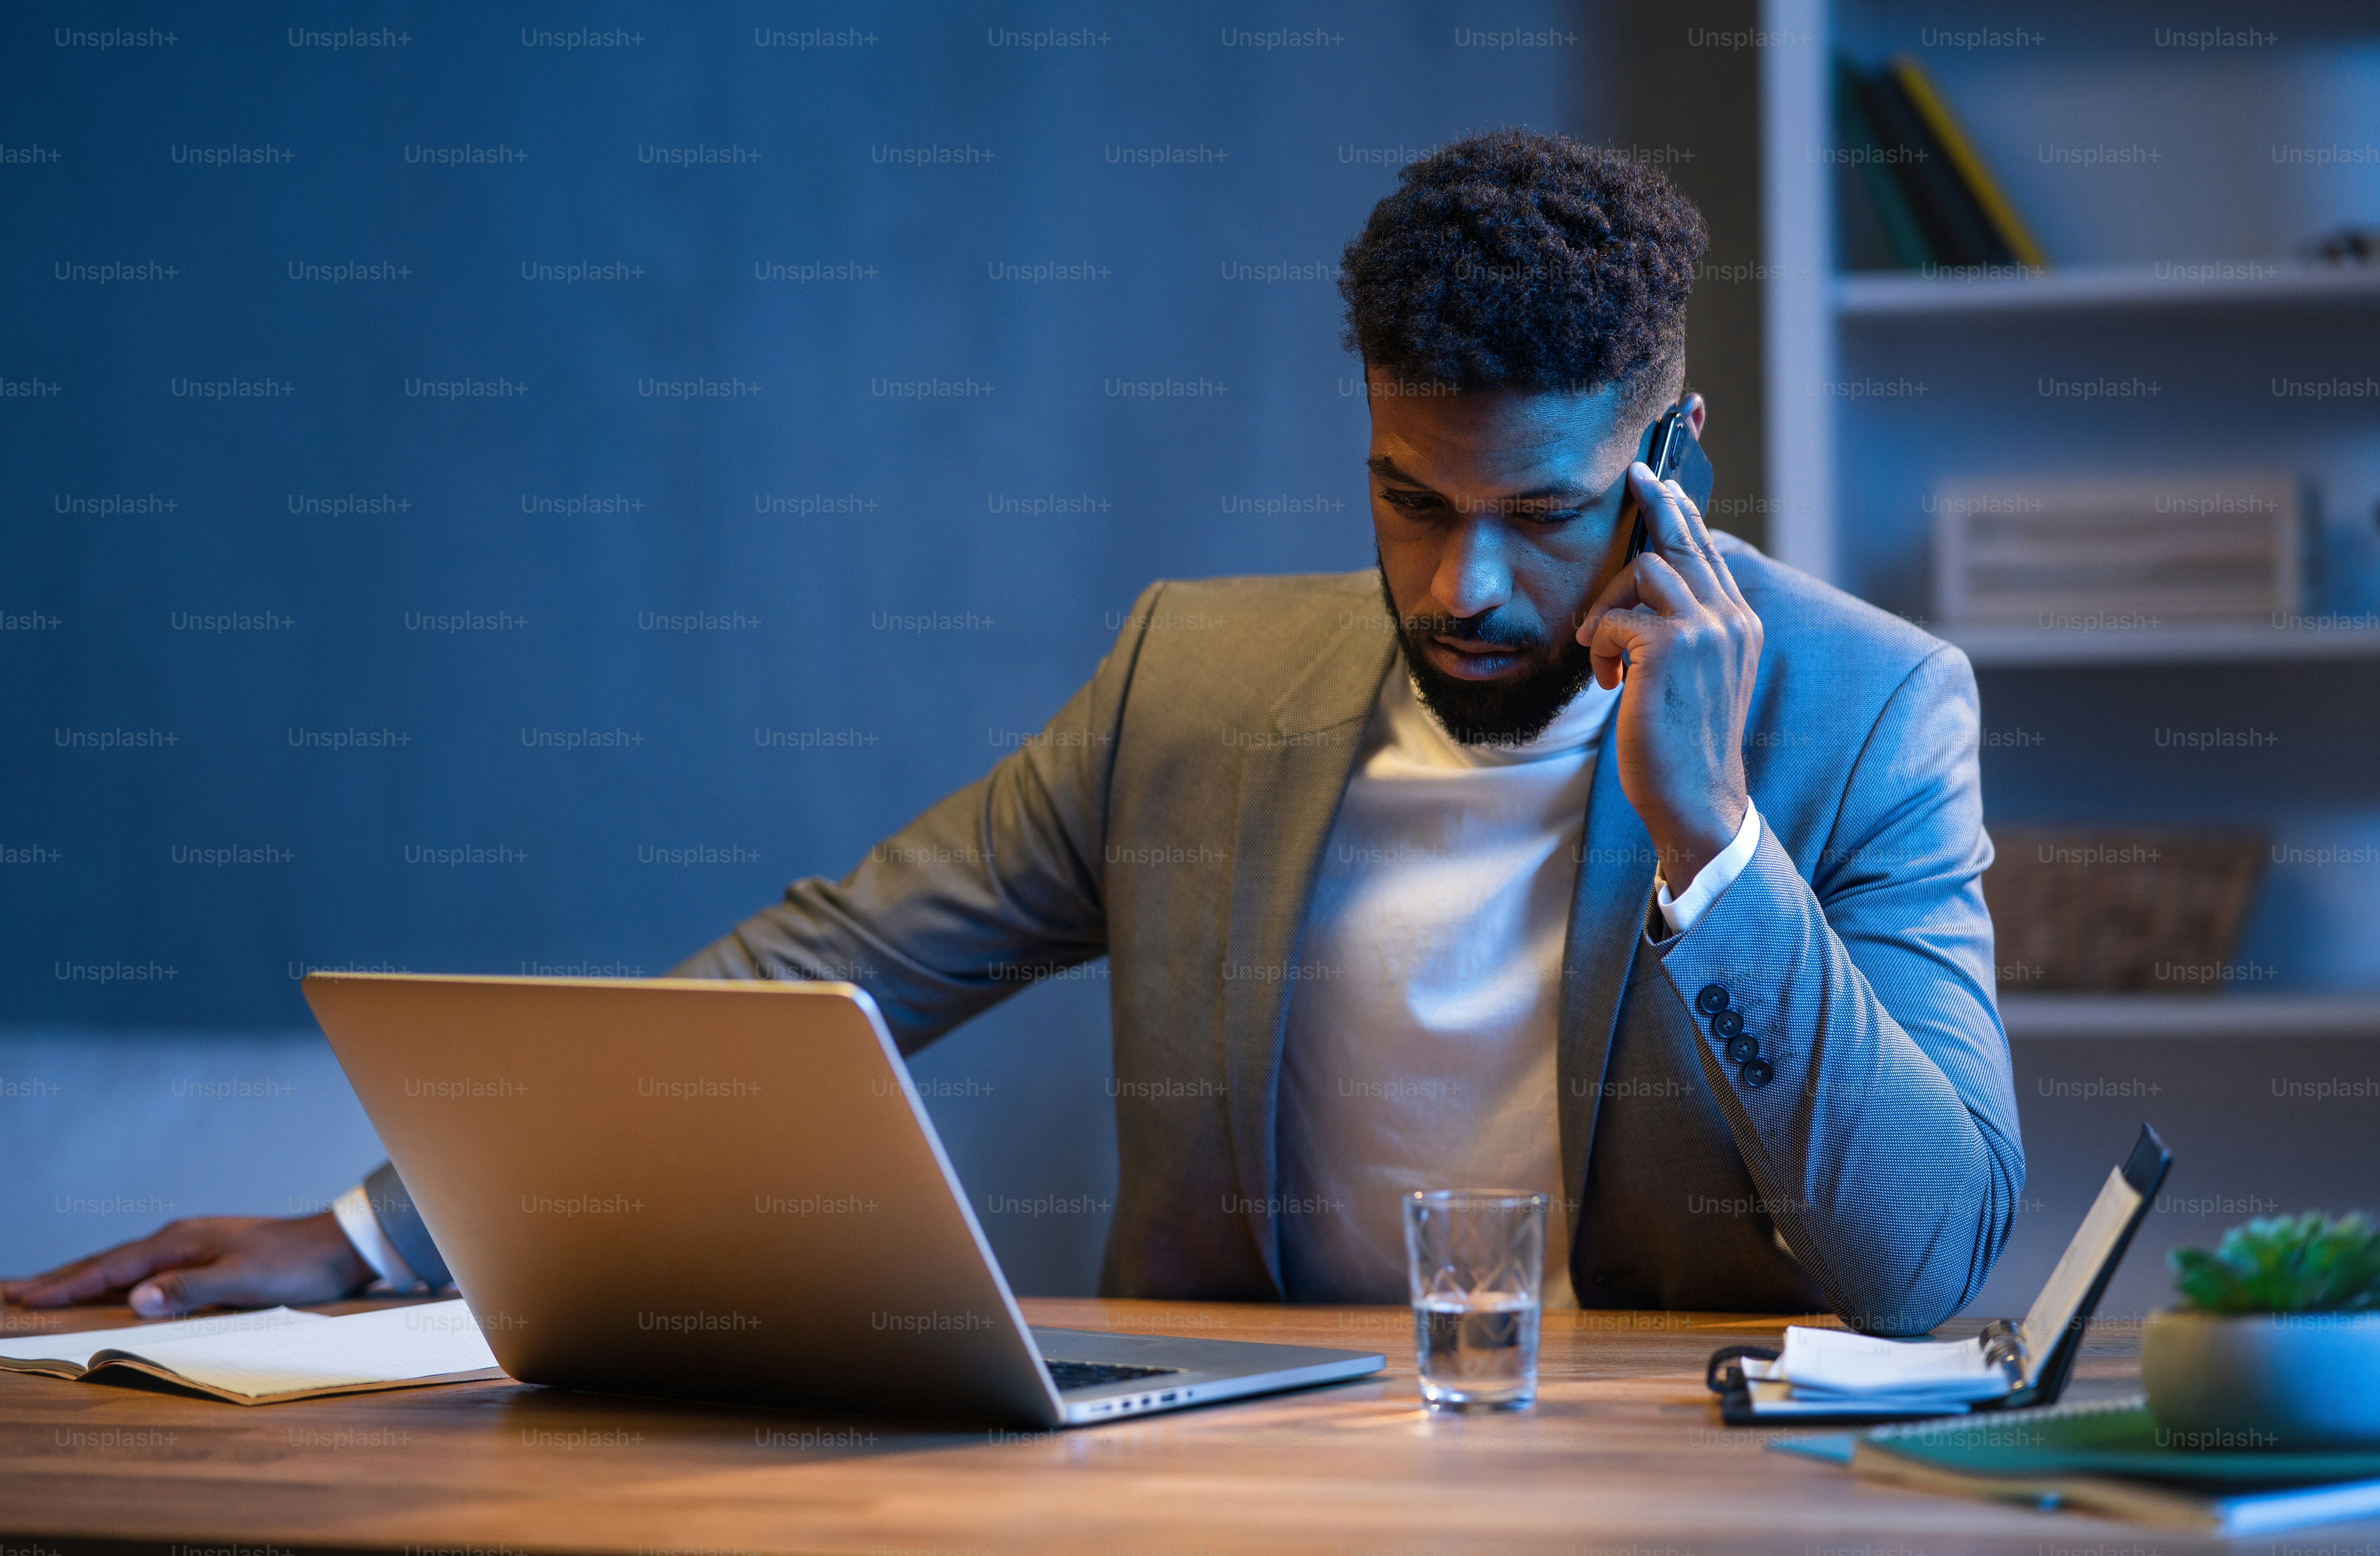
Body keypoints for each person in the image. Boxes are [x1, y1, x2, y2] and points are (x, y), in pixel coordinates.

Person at [6, 130, 2021, 1336]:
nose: (1460, 591)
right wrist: (367, 1239)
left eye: (1545, 516)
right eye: (1412, 500)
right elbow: (833, 970)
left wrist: (1712, 848)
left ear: (1670, 458)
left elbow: (1929, 1260)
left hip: (1641, 1492)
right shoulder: (1197, 683)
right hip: (1242, 1478)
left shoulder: (1866, 716)